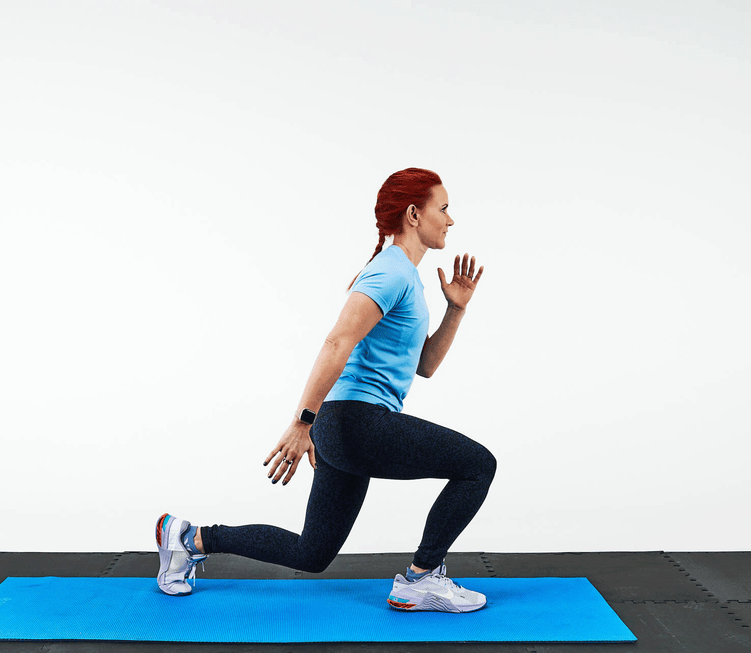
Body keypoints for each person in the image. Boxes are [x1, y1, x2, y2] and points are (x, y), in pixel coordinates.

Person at [156, 167, 496, 613]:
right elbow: (338, 341)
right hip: (356, 422)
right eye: (444, 208)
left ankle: (188, 538)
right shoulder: (391, 272)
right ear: (414, 214)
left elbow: (425, 367)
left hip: (346, 424)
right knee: (477, 465)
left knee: (311, 553)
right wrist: (303, 422)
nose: (451, 220)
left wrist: (456, 310)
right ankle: (422, 576)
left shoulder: (405, 276)